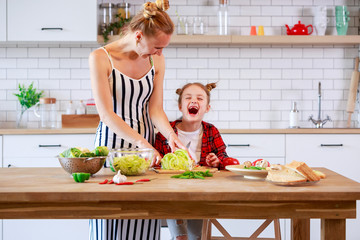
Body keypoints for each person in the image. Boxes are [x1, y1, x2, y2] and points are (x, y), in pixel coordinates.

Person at [88, 1, 185, 239]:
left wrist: (171, 135)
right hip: (111, 147)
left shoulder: (156, 61)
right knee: (109, 224)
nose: (160, 53)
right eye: (157, 47)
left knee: (143, 219)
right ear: (139, 36)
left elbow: (155, 109)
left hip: (146, 151)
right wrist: (143, 144)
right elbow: (106, 114)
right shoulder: (100, 58)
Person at [154, 82, 229, 240]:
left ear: (207, 108)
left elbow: (224, 157)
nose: (194, 101)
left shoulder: (211, 131)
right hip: (172, 194)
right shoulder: (166, 132)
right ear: (180, 106)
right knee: (181, 237)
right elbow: (157, 162)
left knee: (197, 237)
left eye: (200, 98)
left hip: (201, 194)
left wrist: (217, 161)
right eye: (188, 98)